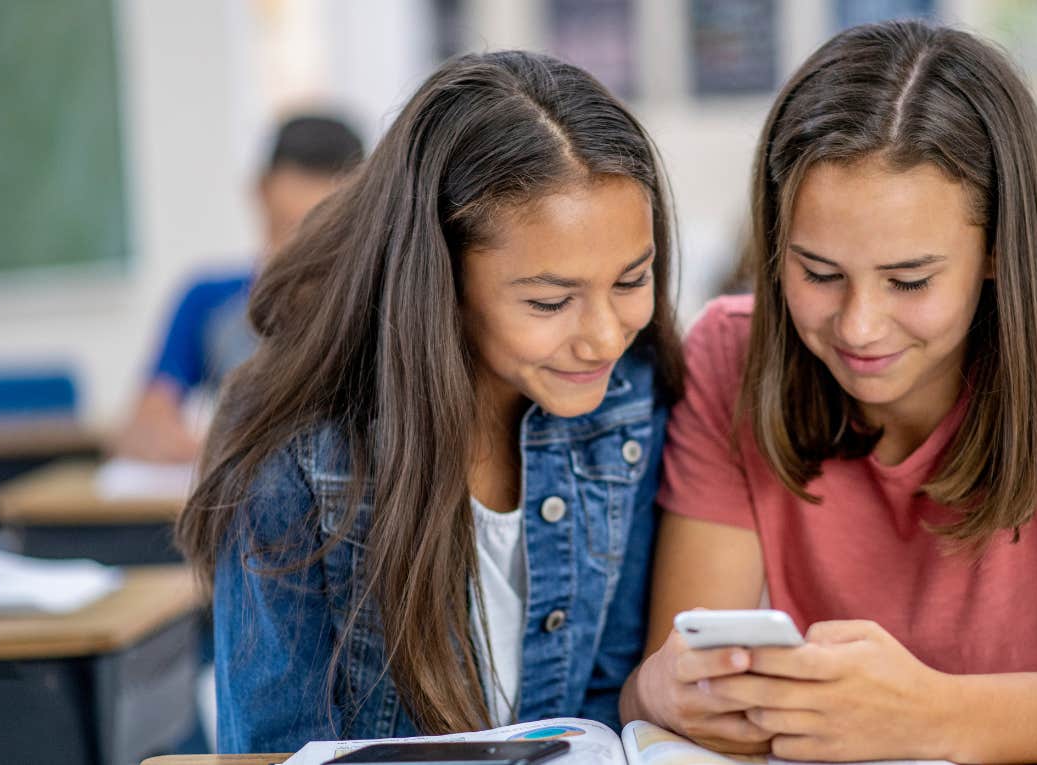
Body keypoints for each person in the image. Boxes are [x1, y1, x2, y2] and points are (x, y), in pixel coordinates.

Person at [621, 21, 1037, 764]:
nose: (859, 325)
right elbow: (687, 682)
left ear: (994, 251)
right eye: (818, 273)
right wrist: (661, 690)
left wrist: (927, 712)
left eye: (910, 280)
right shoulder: (732, 350)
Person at [176, 51, 684, 752]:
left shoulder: (630, 400)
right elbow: (279, 749)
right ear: (439, 277)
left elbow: (607, 712)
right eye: (550, 299)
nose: (603, 337)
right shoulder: (295, 454)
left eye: (632, 279)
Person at [116, 115, 364, 462]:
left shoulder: (370, 306)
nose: (299, 260)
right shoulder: (209, 301)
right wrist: (229, 456)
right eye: (288, 230)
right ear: (261, 191)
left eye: (324, 236)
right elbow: (143, 427)